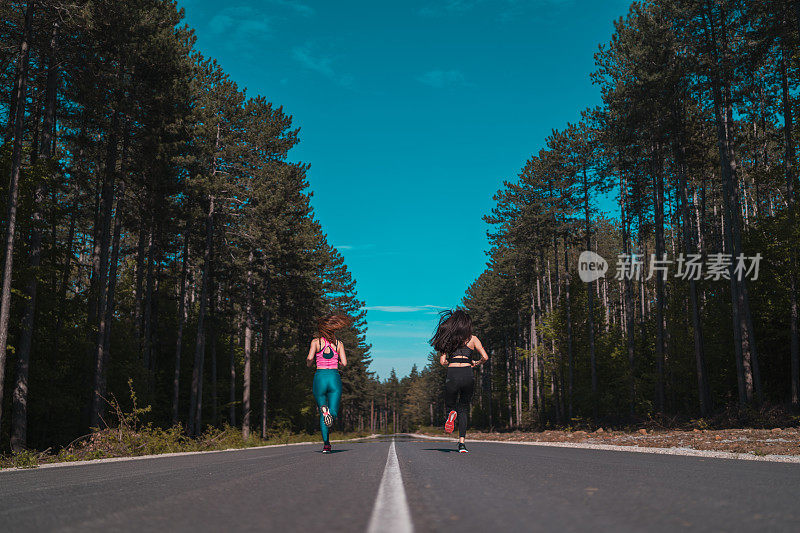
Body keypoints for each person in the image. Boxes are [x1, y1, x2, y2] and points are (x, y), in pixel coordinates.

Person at [429, 309, 488, 453]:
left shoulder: (448, 339)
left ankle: (451, 414)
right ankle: (462, 444)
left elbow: (442, 361)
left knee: (450, 405)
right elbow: (485, 357)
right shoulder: (473, 339)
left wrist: (449, 361)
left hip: (453, 373)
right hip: (467, 374)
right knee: (463, 408)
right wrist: (476, 362)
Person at [306, 314, 349, 453]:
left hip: (320, 377)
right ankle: (329, 414)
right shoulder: (339, 344)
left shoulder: (316, 342)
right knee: (333, 411)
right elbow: (344, 363)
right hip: (334, 378)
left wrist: (309, 363)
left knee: (323, 413)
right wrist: (336, 361)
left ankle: (326, 445)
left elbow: (309, 358)